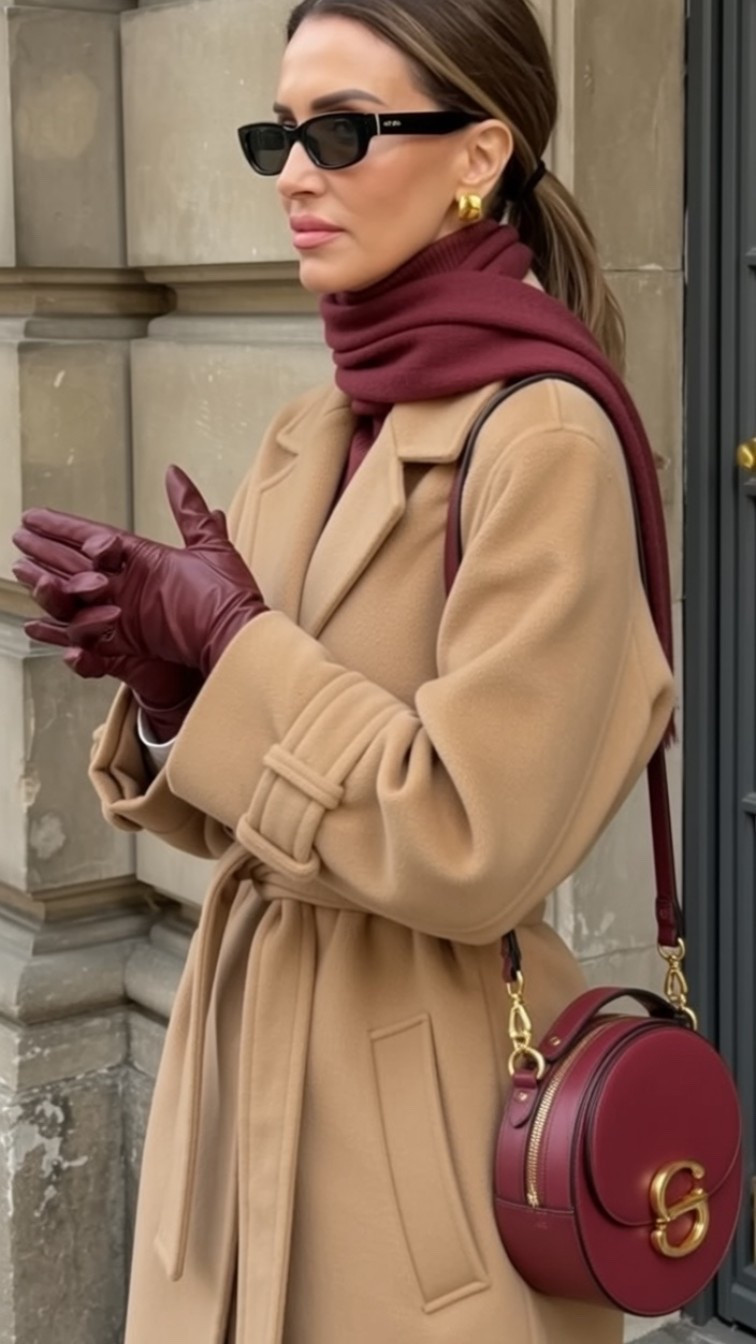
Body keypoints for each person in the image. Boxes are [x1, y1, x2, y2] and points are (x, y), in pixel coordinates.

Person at [12, 1, 676, 1341]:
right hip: (242, 1071)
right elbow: (249, 801)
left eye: (342, 130)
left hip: (418, 1115)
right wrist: (166, 687)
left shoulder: (547, 437)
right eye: (279, 134)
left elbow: (473, 838)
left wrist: (238, 647)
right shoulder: (318, 422)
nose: (296, 172)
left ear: (479, 152)